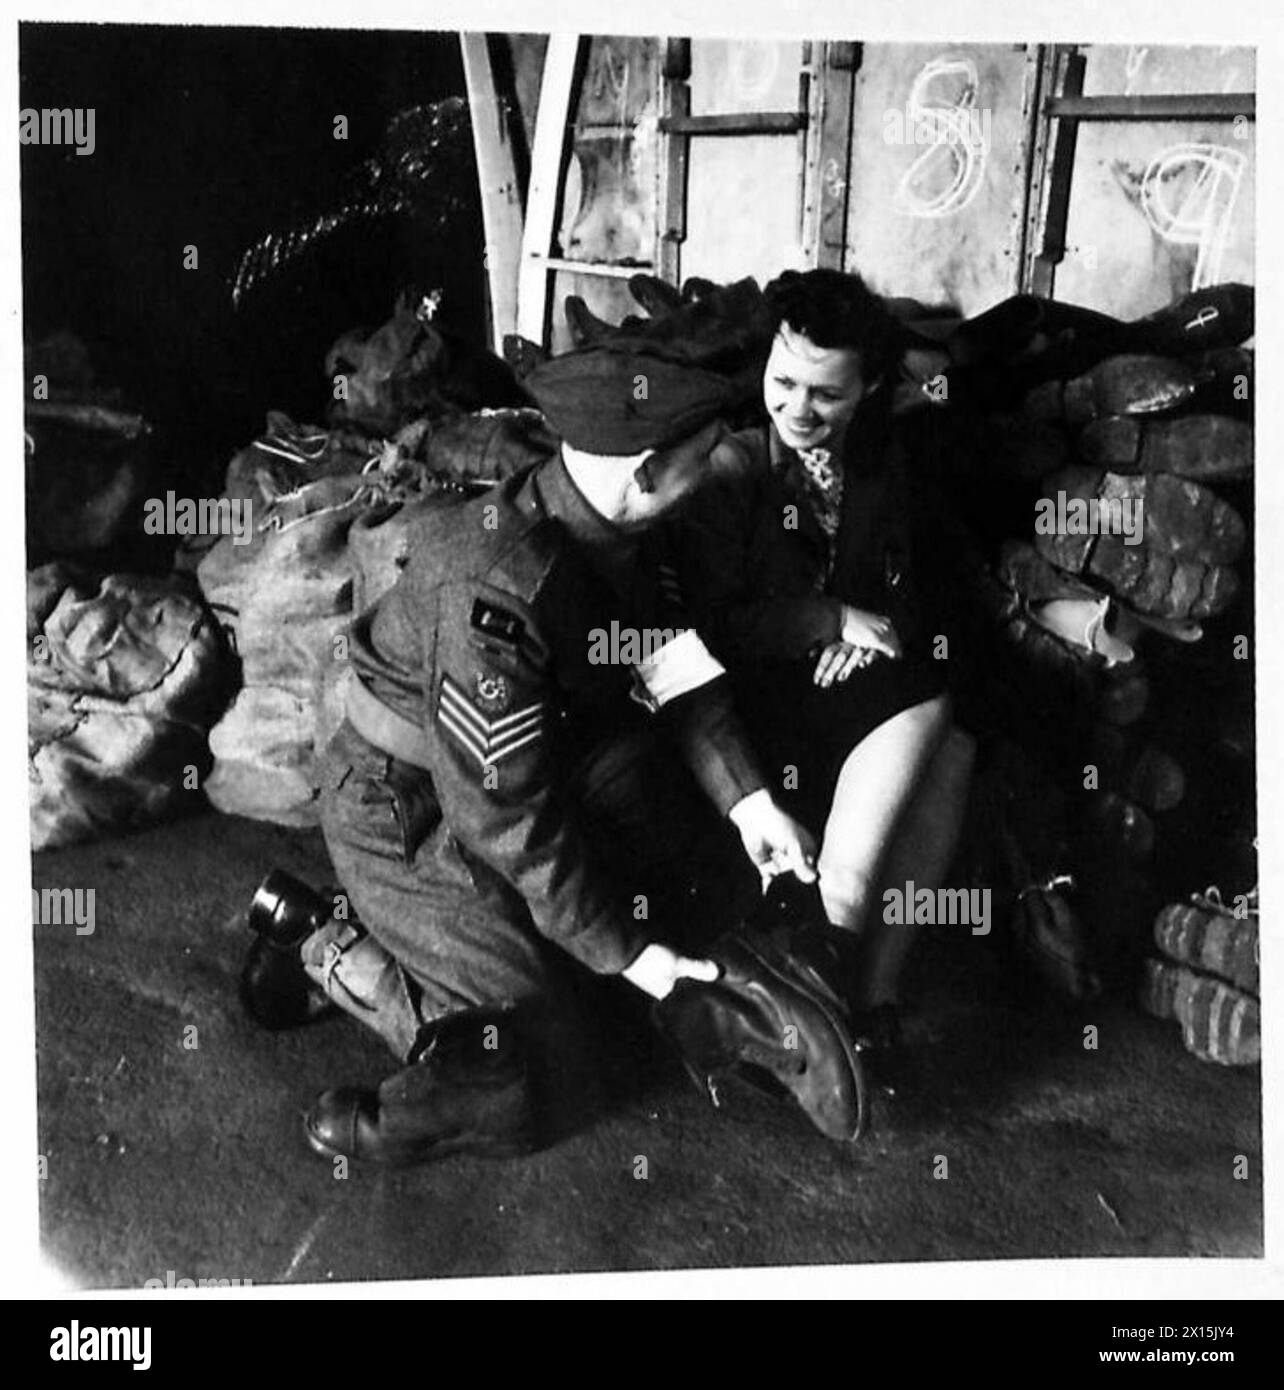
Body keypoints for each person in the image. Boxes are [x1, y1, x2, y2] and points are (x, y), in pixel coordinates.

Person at [241, 294, 857, 1165]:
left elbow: (676, 673)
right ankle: (321, 938)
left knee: (682, 889)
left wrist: (753, 805)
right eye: (699, 460)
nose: (716, 468)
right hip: (403, 805)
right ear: (642, 473)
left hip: (544, 759)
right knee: (528, 1074)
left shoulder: (632, 522)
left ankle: (536, 962)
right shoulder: (498, 582)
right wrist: (630, 952)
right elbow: (504, 816)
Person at [673, 268, 976, 1060]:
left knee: (956, 740)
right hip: (753, 699)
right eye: (783, 383)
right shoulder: (734, 468)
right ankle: (831, 943)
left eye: (827, 394)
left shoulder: (882, 462)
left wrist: (869, 632)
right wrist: (831, 619)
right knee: (934, 703)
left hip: (849, 683)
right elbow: (713, 629)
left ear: (871, 387)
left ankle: (866, 1002)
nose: (799, 410)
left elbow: (913, 589)